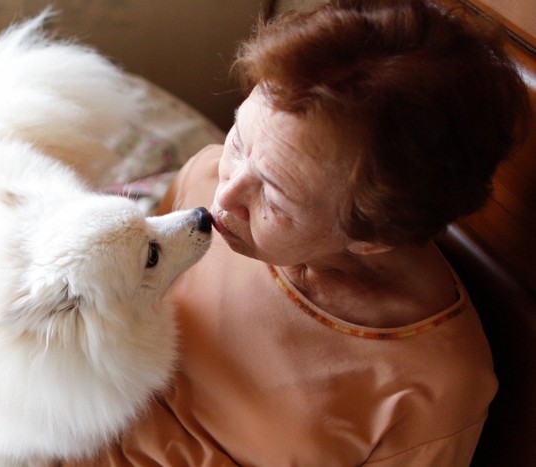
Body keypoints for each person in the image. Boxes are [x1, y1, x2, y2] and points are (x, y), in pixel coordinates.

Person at [66, 0, 531, 465]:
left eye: (275, 197)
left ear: (373, 235)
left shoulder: (433, 387)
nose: (223, 199)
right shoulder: (207, 174)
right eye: (238, 139)